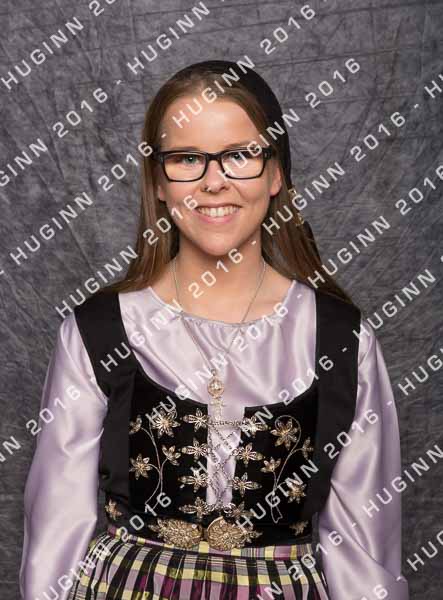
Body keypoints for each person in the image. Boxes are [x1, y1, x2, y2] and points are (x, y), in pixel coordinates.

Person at [19, 60, 410, 600]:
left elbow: (363, 554)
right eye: (187, 158)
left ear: (276, 173)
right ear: (158, 181)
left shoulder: (343, 342)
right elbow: (54, 538)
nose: (213, 180)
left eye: (240, 155)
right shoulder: (97, 333)